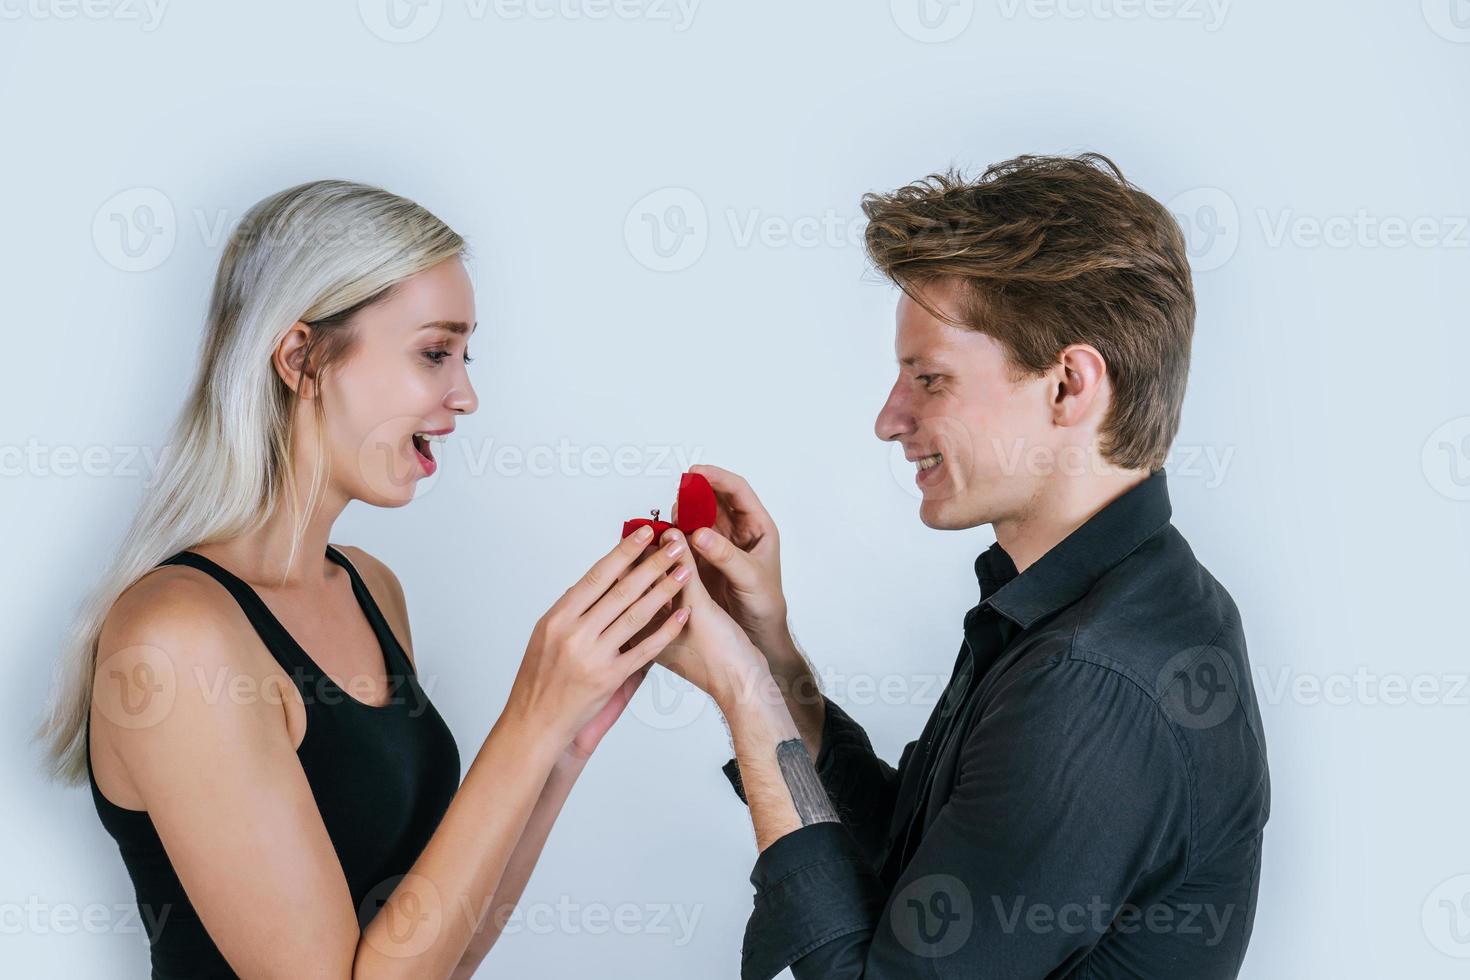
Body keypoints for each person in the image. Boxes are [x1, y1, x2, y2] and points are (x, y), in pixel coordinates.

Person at [33, 179, 694, 978]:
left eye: (464, 355)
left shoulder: (371, 589)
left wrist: (564, 739)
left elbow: (435, 958)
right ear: (302, 358)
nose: (466, 394)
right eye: (433, 353)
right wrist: (529, 714)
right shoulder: (176, 637)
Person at [653, 154, 1271, 979]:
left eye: (930, 379)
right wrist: (767, 655)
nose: (888, 419)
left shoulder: (1091, 683)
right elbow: (910, 874)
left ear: (1068, 387)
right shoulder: (1087, 610)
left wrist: (746, 699)